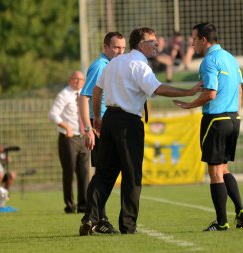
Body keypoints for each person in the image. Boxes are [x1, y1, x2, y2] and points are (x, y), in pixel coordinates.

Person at [79, 27, 202, 236]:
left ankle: (90, 218)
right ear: (140, 44)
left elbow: (97, 90)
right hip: (128, 122)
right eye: (151, 41)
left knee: (104, 173)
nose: (156, 44)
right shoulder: (139, 64)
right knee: (132, 175)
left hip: (109, 118)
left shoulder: (115, 62)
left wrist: (98, 118)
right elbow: (158, 88)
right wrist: (189, 92)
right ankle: (128, 226)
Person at [173, 23, 243, 231]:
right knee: (224, 169)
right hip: (234, 118)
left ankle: (222, 222)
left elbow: (210, 93)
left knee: (215, 173)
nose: (192, 43)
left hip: (216, 120)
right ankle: (241, 211)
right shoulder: (231, 59)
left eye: (194, 39)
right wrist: (235, 113)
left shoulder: (208, 61)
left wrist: (188, 104)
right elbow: (240, 91)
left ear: (204, 39)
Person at [78, 32, 126, 233]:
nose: (120, 52)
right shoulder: (100, 66)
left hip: (108, 124)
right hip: (99, 125)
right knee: (104, 172)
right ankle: (96, 219)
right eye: (116, 47)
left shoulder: (112, 66)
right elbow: (83, 97)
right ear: (105, 47)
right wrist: (88, 129)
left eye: (123, 48)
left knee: (105, 172)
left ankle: (96, 218)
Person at [49, 71, 90, 214]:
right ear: (70, 80)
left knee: (84, 172)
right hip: (68, 139)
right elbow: (53, 114)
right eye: (75, 79)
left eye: (81, 79)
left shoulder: (85, 94)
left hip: (83, 137)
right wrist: (66, 127)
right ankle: (70, 205)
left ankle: (83, 205)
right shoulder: (64, 94)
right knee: (69, 171)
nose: (78, 82)